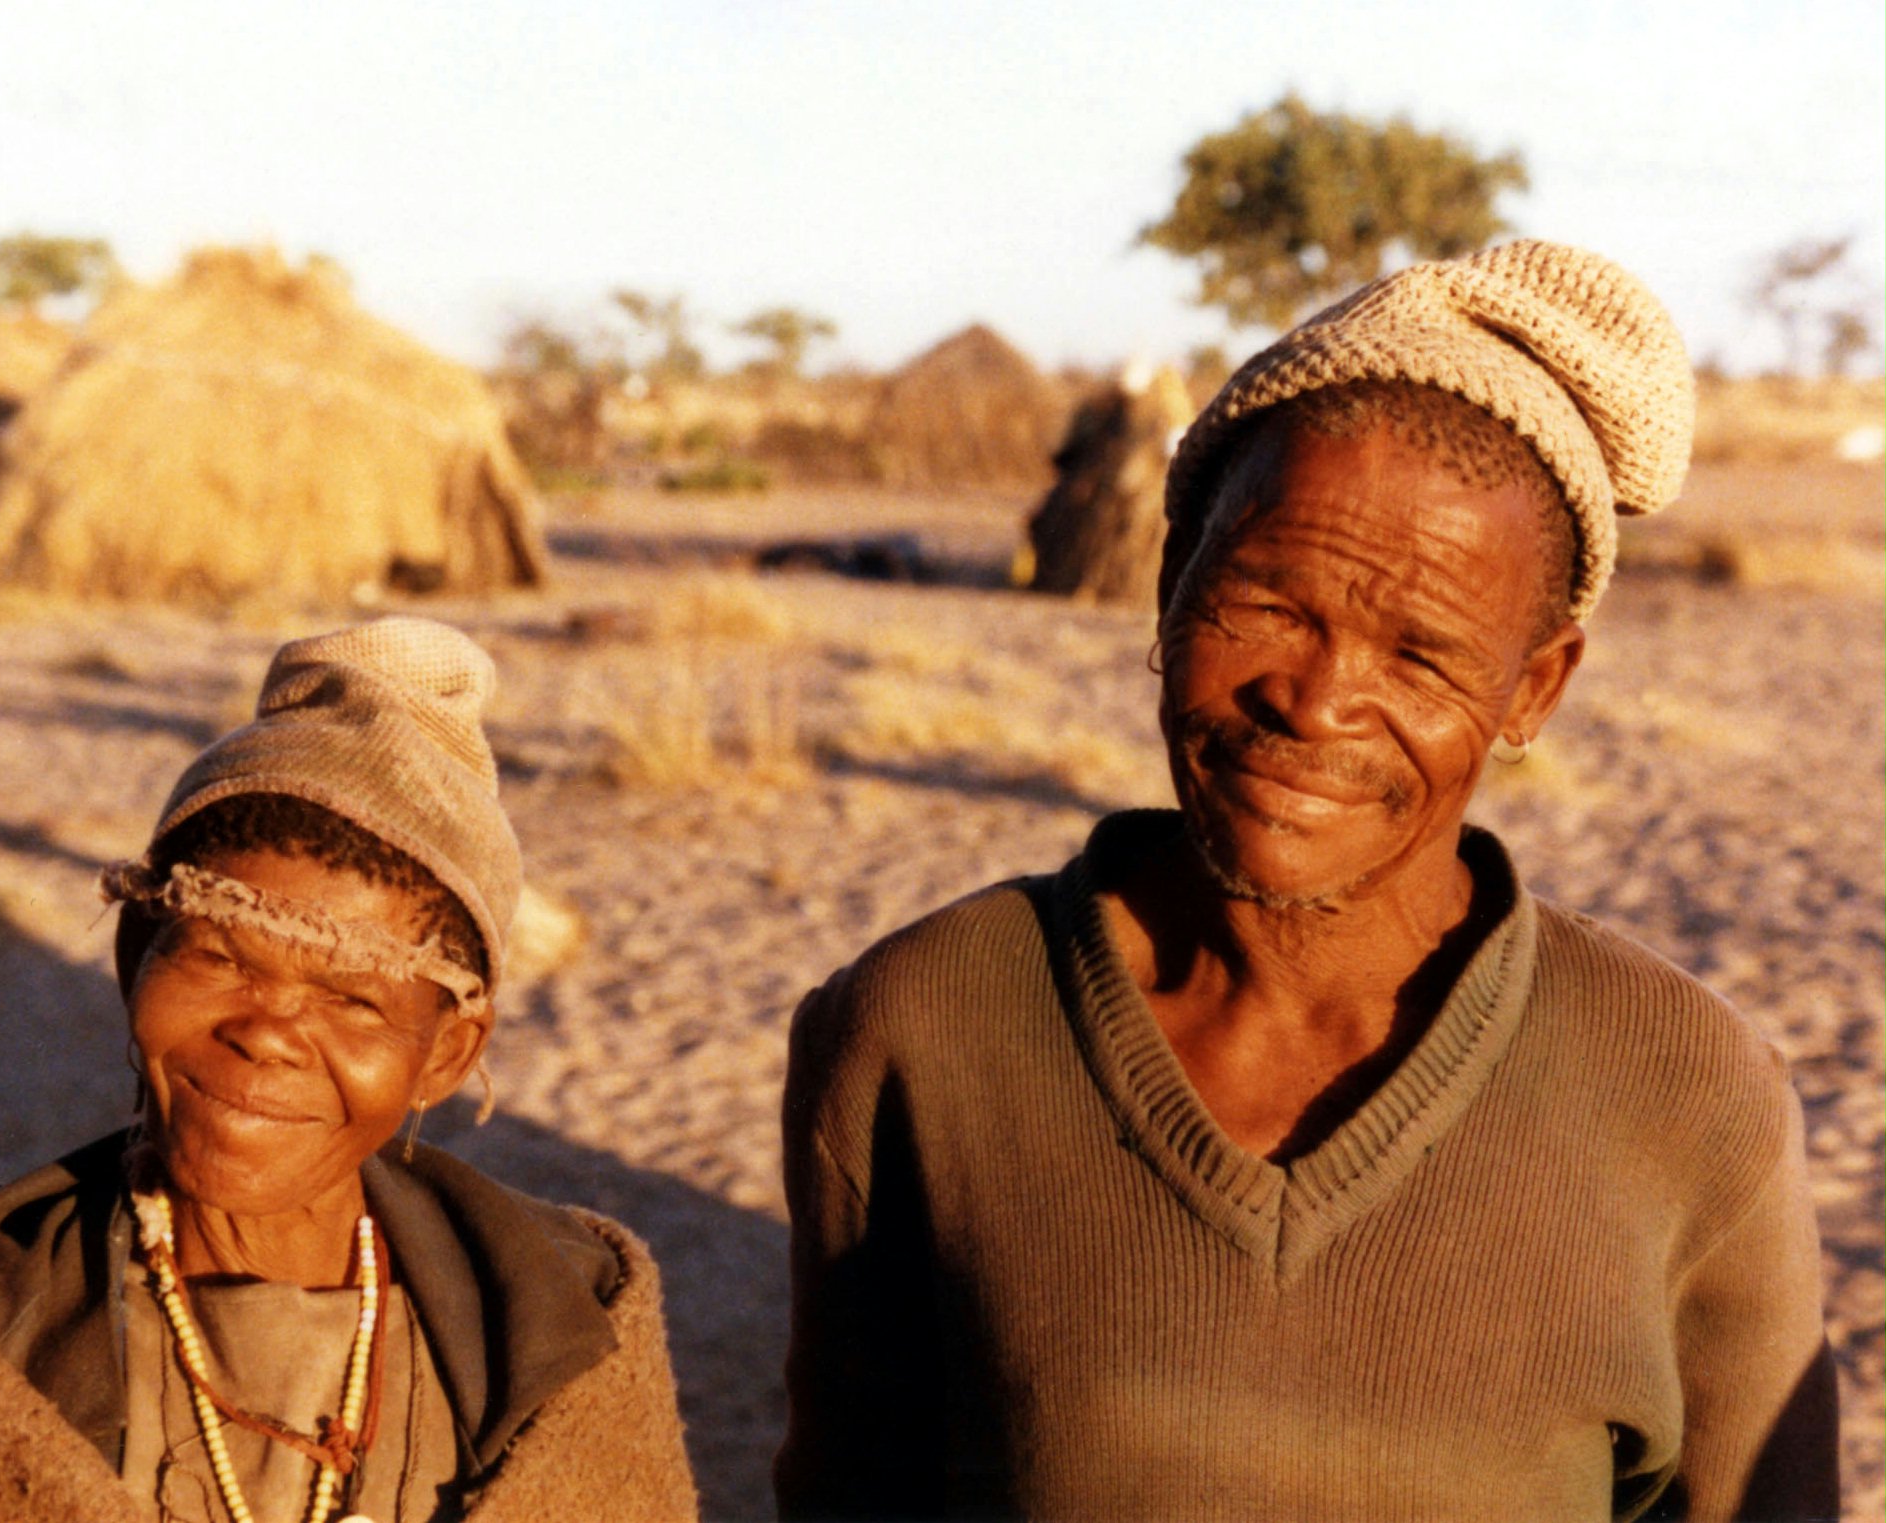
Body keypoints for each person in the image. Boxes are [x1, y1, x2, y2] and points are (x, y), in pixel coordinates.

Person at [776, 242, 1838, 1522]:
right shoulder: (920, 1029)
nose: (1317, 698)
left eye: (1423, 653)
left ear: (1535, 688)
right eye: (1269, 605)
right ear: (1170, 584)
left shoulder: (1684, 1092)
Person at [0, 618, 698, 1523]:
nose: (268, 1034)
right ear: (137, 954)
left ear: (447, 1053)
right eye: (220, 959)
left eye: (355, 1000)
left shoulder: (562, 1327)